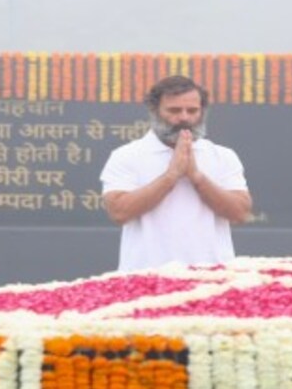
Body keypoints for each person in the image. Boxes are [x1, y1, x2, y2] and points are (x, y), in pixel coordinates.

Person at [100, 75, 252, 271]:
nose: (184, 118)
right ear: (155, 111)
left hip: (211, 277)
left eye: (192, 110)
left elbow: (240, 212)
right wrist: (170, 176)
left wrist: (197, 178)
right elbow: (119, 212)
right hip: (144, 277)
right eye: (174, 110)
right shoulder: (126, 156)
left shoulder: (223, 156)